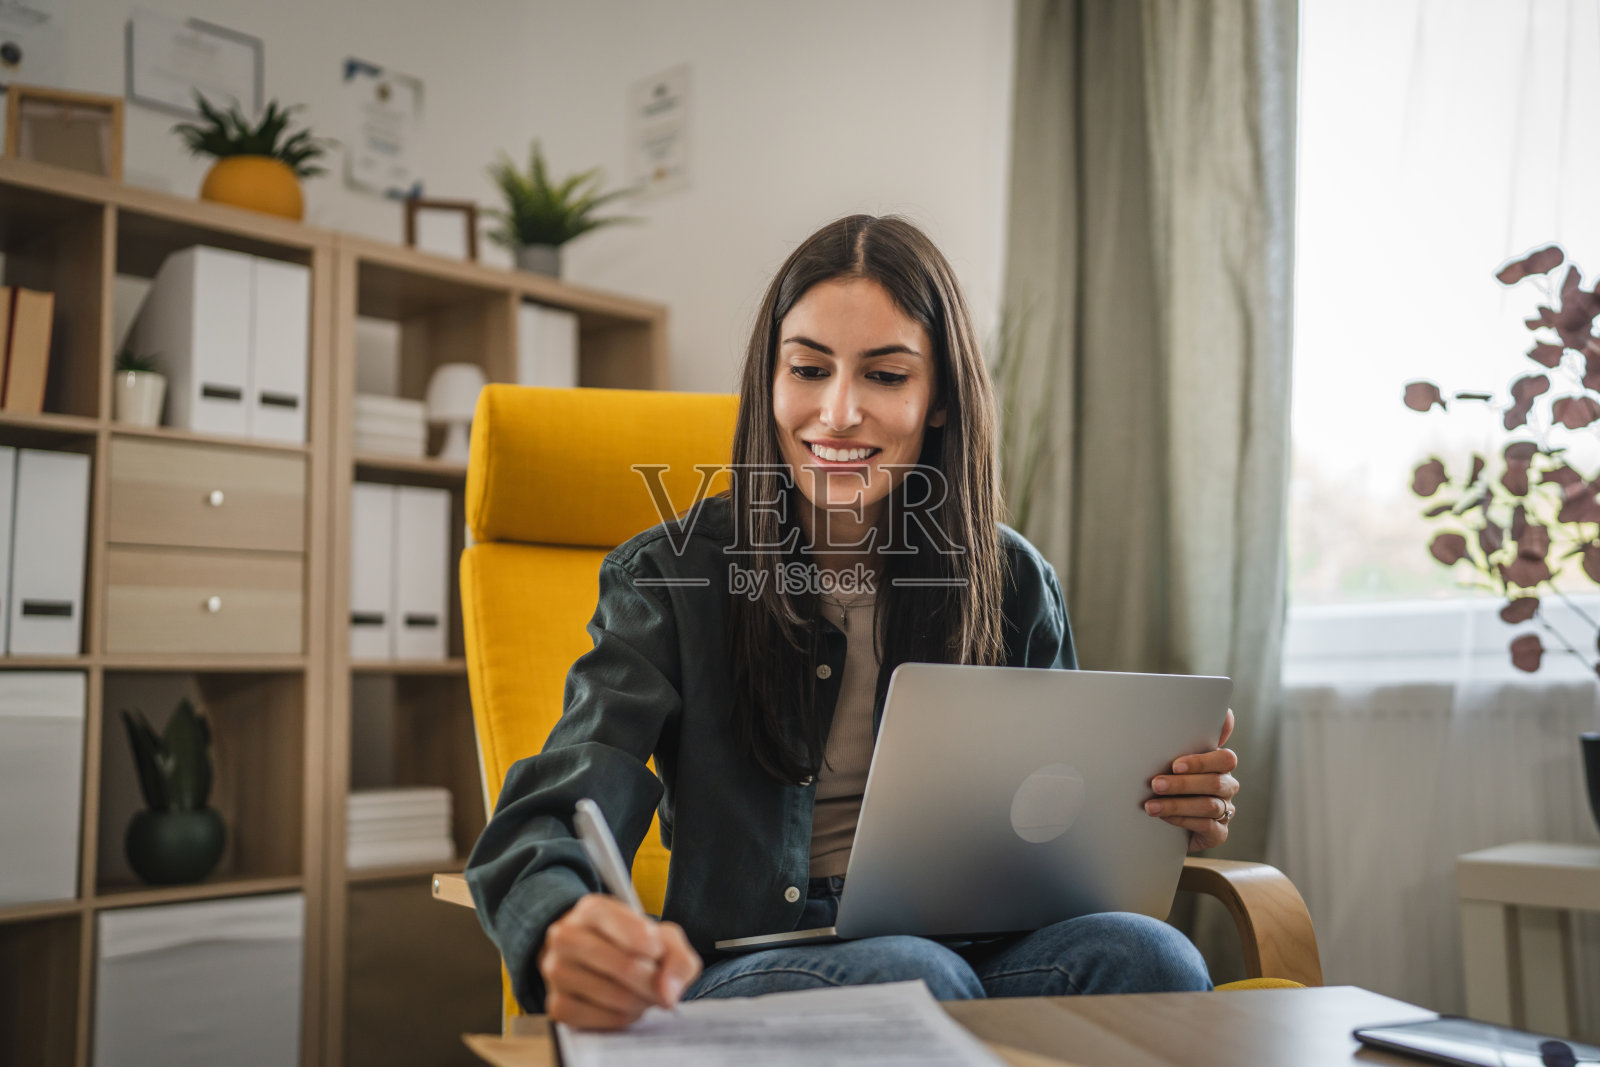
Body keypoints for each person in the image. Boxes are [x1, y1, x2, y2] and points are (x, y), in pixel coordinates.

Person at [465, 214, 1242, 1030]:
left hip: (974, 952)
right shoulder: (668, 574)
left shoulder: (1012, 580)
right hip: (748, 961)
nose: (837, 413)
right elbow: (558, 801)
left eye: (884, 375)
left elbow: (1064, 824)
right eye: (807, 368)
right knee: (913, 972)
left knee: (1153, 956)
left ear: (937, 398)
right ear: (769, 385)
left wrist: (1163, 816)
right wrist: (559, 920)